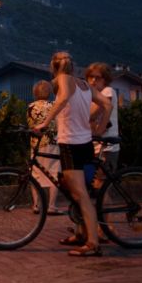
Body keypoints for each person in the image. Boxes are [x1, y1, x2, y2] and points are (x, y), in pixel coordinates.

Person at [34, 52, 112, 257]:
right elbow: (108, 104)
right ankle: (80, 233)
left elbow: (64, 98)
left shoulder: (64, 79)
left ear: (54, 68)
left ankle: (93, 243)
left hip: (71, 144)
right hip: (85, 143)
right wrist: (99, 129)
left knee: (81, 195)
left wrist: (44, 122)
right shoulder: (84, 84)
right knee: (72, 188)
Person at [27, 80, 65, 215]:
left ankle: (36, 205)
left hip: (36, 144)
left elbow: (31, 125)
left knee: (35, 173)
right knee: (54, 172)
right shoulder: (54, 105)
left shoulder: (30, 106)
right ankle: (51, 206)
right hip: (53, 143)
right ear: (49, 92)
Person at [85, 62, 119, 191]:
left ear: (105, 79)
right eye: (90, 77)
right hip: (95, 146)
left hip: (107, 147)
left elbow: (92, 114)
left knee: (101, 186)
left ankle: (104, 211)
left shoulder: (107, 91)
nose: (93, 80)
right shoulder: (92, 96)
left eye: (97, 77)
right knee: (94, 184)